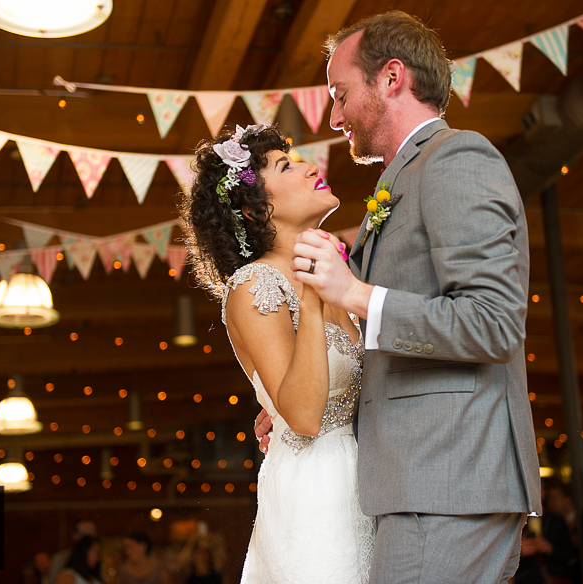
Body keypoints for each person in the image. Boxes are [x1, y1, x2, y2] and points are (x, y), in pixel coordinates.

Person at [254, 10, 541, 583]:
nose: (333, 117)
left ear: (391, 78)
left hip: (446, 477)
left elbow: (492, 323)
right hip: (421, 482)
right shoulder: (401, 179)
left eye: (340, 93)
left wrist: (357, 293)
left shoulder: (456, 159)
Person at [180, 124, 374, 583]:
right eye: (287, 166)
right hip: (315, 496)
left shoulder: (340, 273)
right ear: (254, 210)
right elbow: (305, 417)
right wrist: (309, 297)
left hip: (365, 480)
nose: (312, 168)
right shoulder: (253, 287)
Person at [49, 520, 98, 584]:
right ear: (74, 535)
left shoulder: (97, 560)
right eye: (84, 533)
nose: (88, 537)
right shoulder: (61, 559)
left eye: (91, 532)